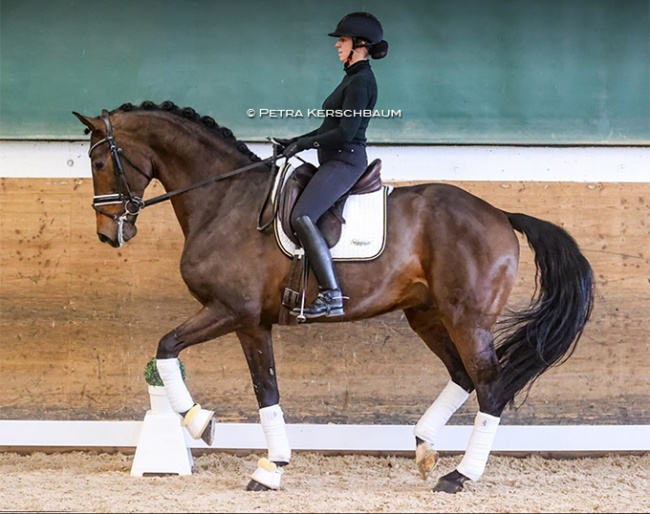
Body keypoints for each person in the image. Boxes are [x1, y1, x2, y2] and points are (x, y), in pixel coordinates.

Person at [275, 12, 389, 319]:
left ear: (359, 45)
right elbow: (329, 126)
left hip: (345, 161)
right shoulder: (351, 76)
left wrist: (304, 144)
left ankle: (331, 294)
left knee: (301, 216)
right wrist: (294, 141)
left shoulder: (362, 81)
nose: (337, 45)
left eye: (342, 40)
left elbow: (344, 133)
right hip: (335, 158)